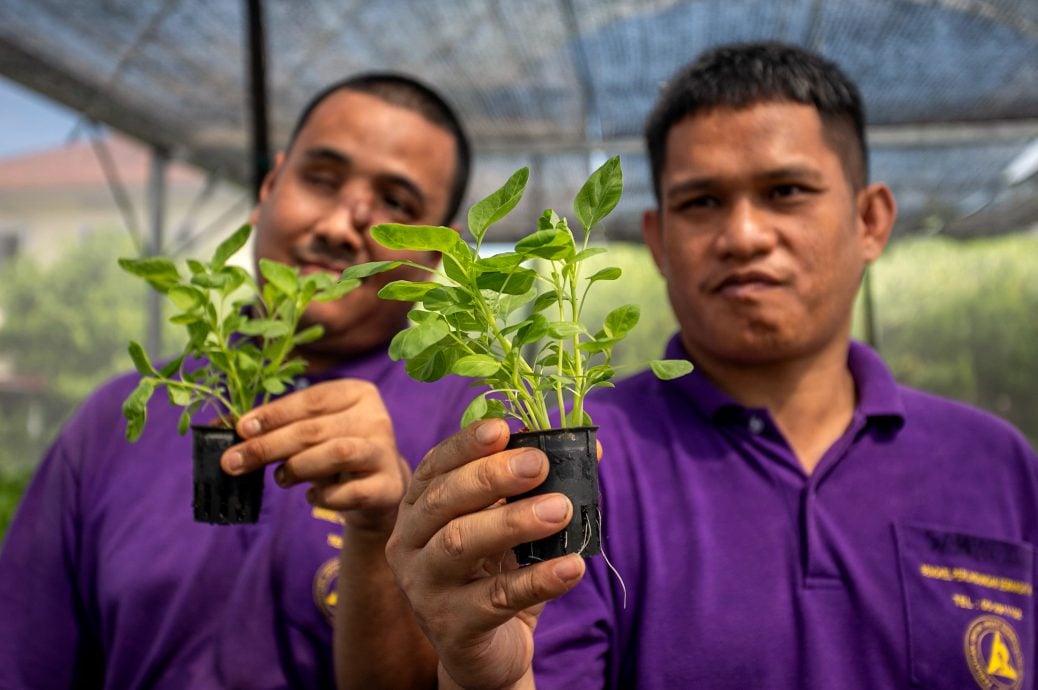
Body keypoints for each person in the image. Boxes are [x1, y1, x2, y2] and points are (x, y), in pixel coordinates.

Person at [381, 42, 1038, 689]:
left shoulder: (995, 463)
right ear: (658, 241)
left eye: (786, 190)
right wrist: (488, 680)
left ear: (869, 220)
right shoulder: (580, 463)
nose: (744, 236)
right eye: (701, 202)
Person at [0, 72, 475, 689]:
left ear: (436, 256)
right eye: (321, 179)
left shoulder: (472, 438)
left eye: (396, 206)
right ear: (270, 186)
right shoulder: (116, 421)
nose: (339, 225)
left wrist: (380, 531)